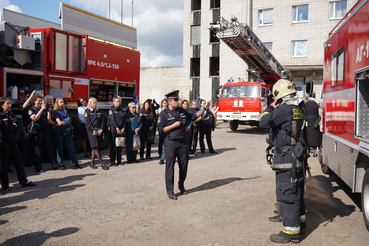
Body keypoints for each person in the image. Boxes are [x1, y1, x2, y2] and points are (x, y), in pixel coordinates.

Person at [259, 79, 306, 243]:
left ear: (279, 96)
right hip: (297, 157)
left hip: (287, 158)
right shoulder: (298, 108)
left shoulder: (284, 109)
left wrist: (271, 106)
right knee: (296, 191)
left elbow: (263, 121)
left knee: (287, 192)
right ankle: (300, 222)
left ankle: (290, 232)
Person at [158, 90, 209, 200]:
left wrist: (204, 109)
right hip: (170, 143)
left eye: (178, 99)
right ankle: (170, 191)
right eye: (176, 100)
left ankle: (181, 186)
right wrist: (174, 125)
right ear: (170, 101)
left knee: (184, 166)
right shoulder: (163, 114)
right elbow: (161, 130)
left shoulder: (181, 110)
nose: (178, 101)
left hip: (183, 142)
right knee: (170, 167)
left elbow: (193, 116)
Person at [0, 97, 36, 193]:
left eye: (10, 103)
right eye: (7, 104)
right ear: (2, 106)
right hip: (4, 142)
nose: (10, 105)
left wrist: (12, 127)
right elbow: (3, 129)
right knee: (5, 164)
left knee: (19, 162)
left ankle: (24, 181)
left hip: (13, 141)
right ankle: (5, 185)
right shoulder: (0, 116)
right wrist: (13, 127)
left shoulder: (12, 114)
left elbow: (18, 127)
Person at [29, 95, 63, 172]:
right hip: (37, 131)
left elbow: (48, 120)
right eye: (39, 101)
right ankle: (39, 168)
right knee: (38, 149)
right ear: (34, 101)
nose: (40, 102)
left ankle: (55, 165)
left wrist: (48, 112)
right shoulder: (31, 109)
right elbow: (35, 118)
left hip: (45, 130)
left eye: (41, 101)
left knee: (50, 148)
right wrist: (41, 109)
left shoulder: (44, 109)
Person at [53, 98, 80, 169]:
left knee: (71, 147)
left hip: (66, 131)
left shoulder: (65, 111)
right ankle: (60, 163)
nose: (62, 103)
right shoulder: (55, 111)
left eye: (62, 102)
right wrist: (64, 122)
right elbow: (58, 122)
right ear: (57, 103)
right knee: (60, 148)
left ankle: (75, 162)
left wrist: (62, 122)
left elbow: (69, 120)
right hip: (59, 131)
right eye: (60, 102)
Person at [84, 97, 109, 170]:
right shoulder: (87, 111)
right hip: (91, 131)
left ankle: (91, 163)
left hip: (98, 131)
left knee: (94, 148)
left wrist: (101, 129)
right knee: (96, 147)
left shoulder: (98, 111)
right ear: (90, 103)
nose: (95, 104)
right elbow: (87, 123)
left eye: (95, 102)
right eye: (93, 102)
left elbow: (102, 122)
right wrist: (93, 130)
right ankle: (102, 163)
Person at [108, 96, 126, 166]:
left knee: (120, 145)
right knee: (113, 146)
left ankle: (119, 160)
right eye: (117, 101)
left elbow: (124, 119)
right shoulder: (111, 110)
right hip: (114, 129)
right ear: (113, 102)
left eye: (119, 101)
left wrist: (123, 128)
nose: (118, 103)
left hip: (121, 129)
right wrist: (117, 128)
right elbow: (112, 120)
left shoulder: (121, 109)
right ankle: (112, 161)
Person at [19, 90, 35, 167]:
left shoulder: (32, 107)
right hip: (25, 128)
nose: (29, 98)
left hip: (32, 128)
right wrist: (31, 96)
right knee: (26, 146)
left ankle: (31, 160)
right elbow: (23, 107)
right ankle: (25, 161)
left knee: (32, 145)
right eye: (27, 96)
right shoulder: (22, 105)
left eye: (30, 96)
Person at [158, 99, 168, 164]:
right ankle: (162, 158)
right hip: (164, 130)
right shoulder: (162, 112)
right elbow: (159, 123)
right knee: (164, 144)